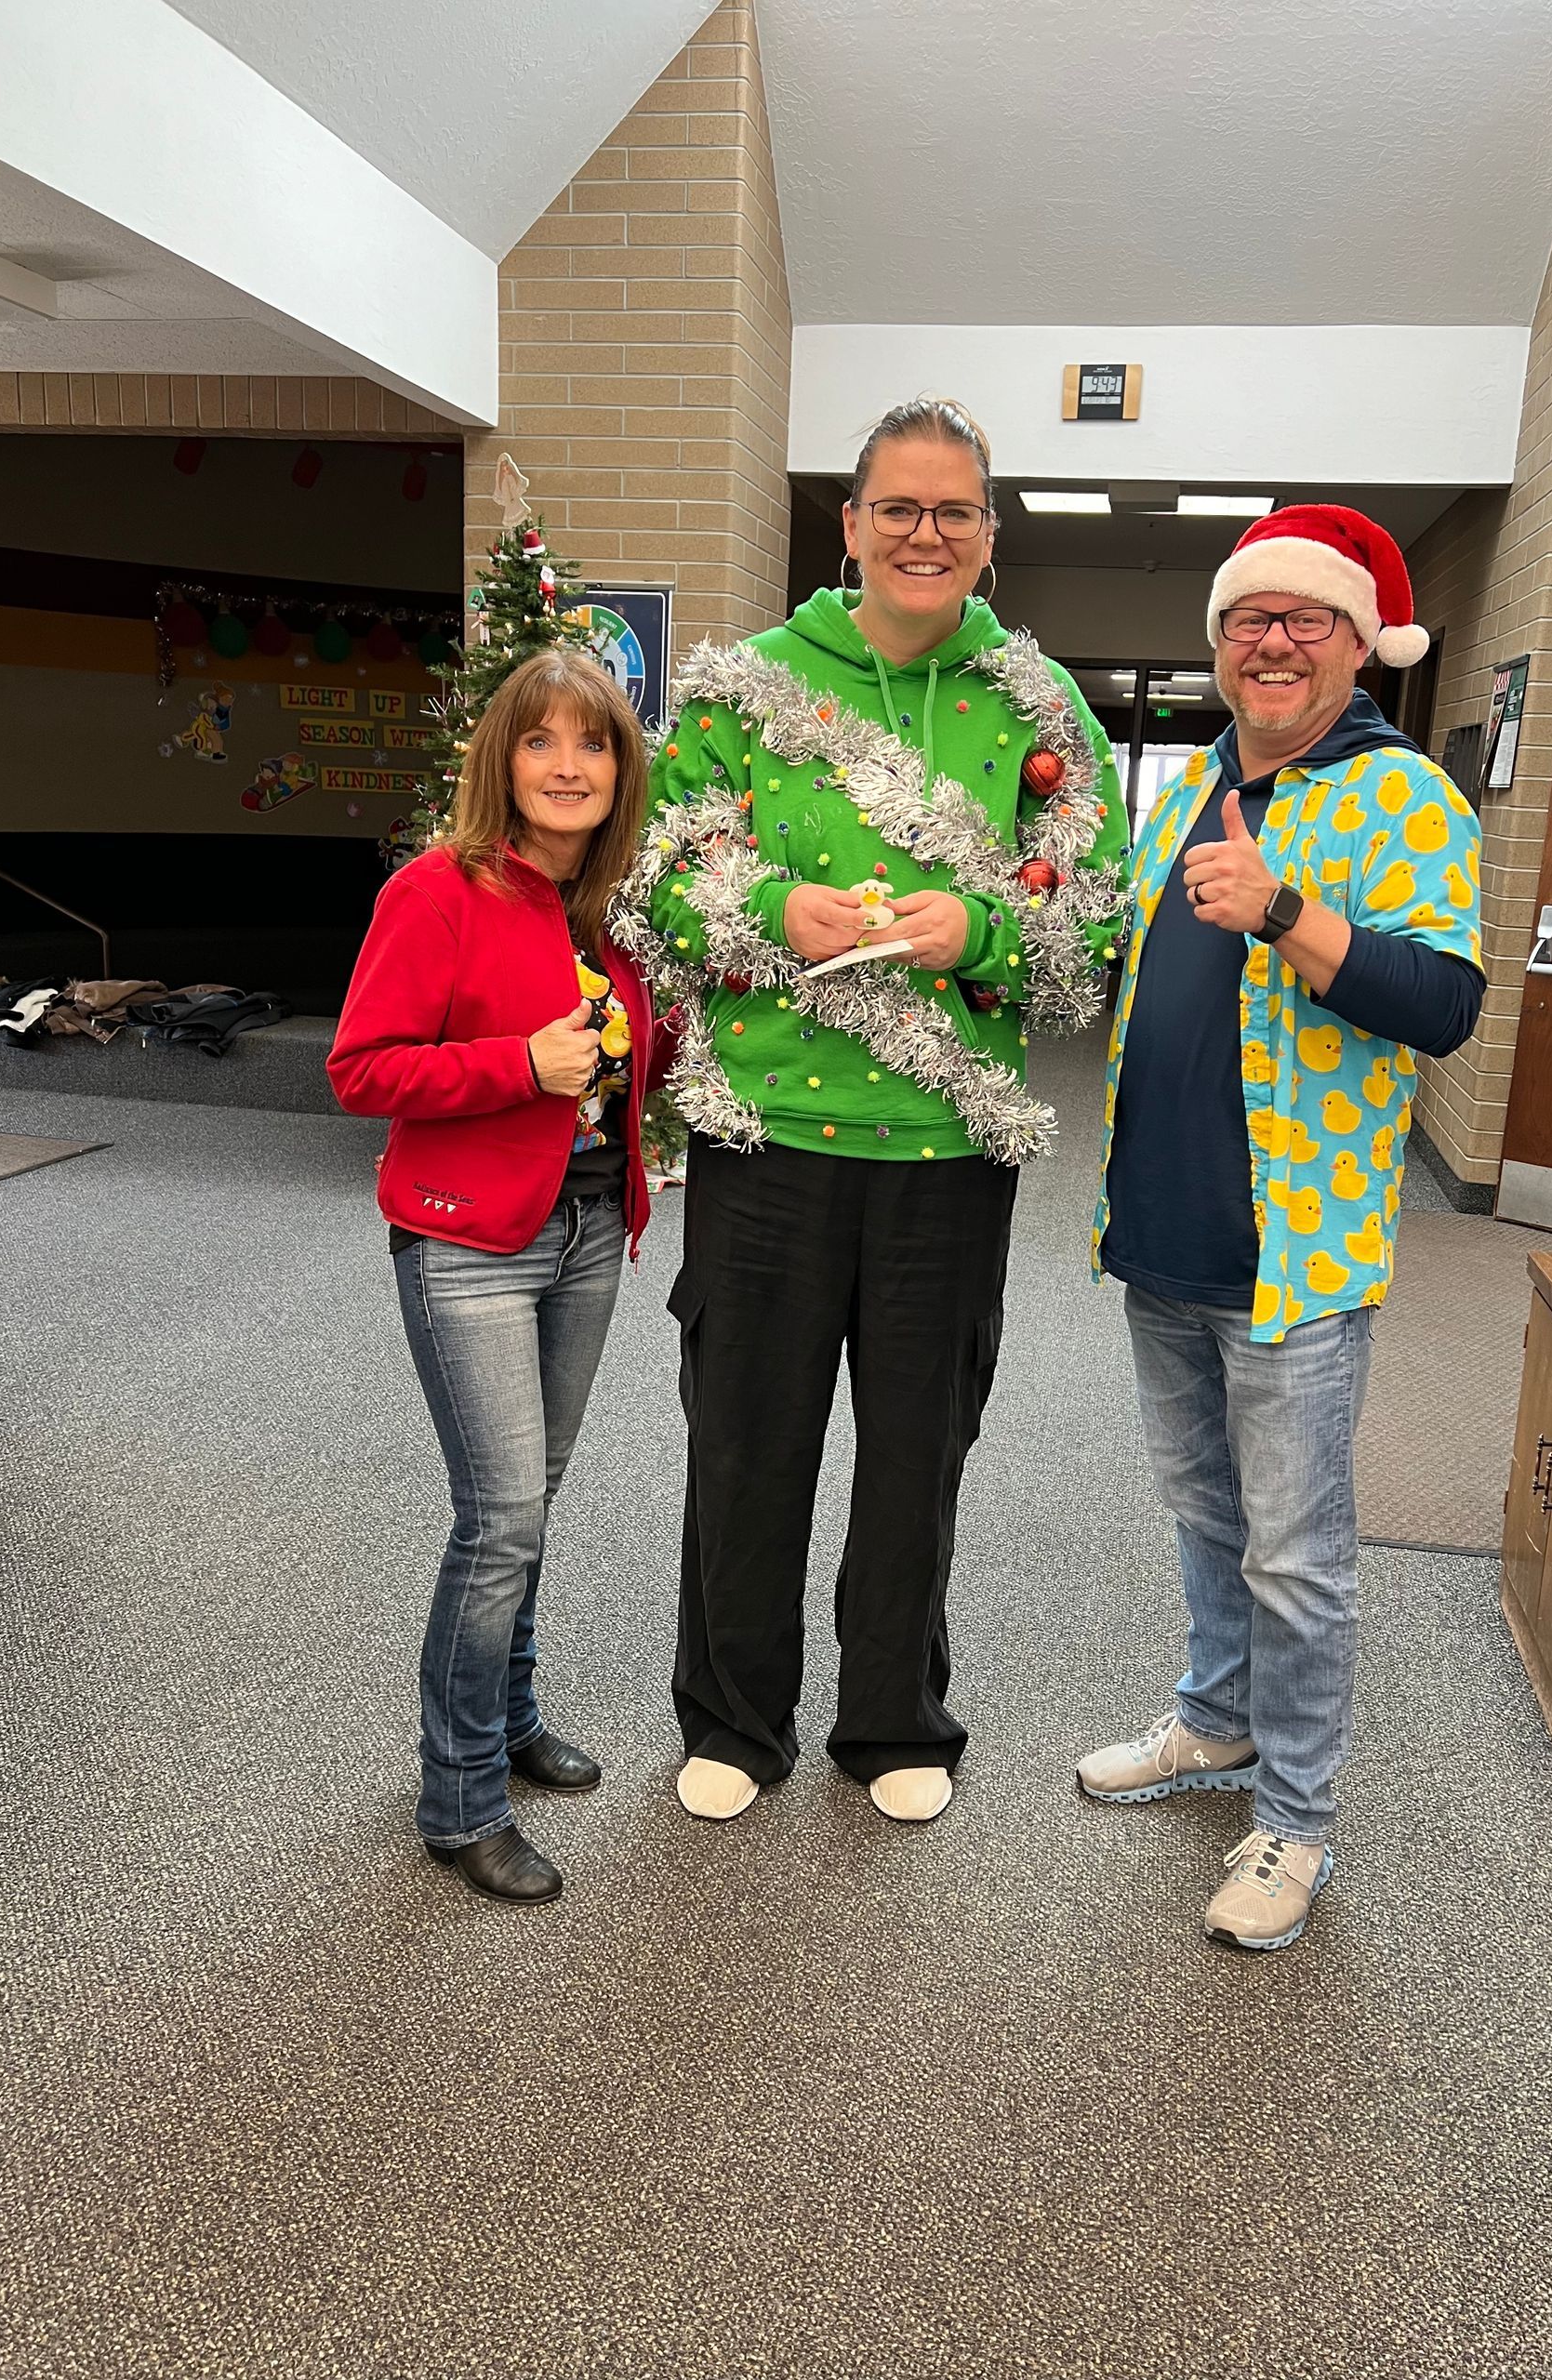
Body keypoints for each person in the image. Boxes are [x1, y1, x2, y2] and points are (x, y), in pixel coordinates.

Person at [615, 396, 1129, 1828]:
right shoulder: (742, 687)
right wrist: (779, 904)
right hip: (767, 1136)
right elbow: (655, 877)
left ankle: (894, 1715)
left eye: (953, 511)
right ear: (848, 527)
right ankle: (733, 1716)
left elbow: (1096, 914)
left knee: (919, 1449)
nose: (924, 533)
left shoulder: (1042, 709)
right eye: (897, 508)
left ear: (987, 537)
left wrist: (982, 935)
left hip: (950, 1154)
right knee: (747, 1442)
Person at [1077, 504, 1484, 1951]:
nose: (1274, 640)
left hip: (1294, 1253)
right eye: (1251, 618)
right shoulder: (1190, 782)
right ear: (1219, 641)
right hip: (1165, 1228)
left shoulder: (1407, 799)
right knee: (1206, 1516)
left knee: (1298, 1552)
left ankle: (1297, 1825)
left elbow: (1444, 1007)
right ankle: (1215, 1721)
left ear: (1359, 643)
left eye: (1307, 619)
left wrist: (1286, 913)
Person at [329, 647, 665, 1906]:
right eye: (542, 741)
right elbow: (362, 1070)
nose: (568, 765)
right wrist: (520, 1067)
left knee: (535, 1500)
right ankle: (458, 1797)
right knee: (501, 1517)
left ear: (621, 767)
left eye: (593, 743)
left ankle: (513, 1720)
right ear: (503, 760)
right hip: (469, 1238)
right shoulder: (440, 889)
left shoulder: (608, 909)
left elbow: (630, 1060)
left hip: (583, 1229)